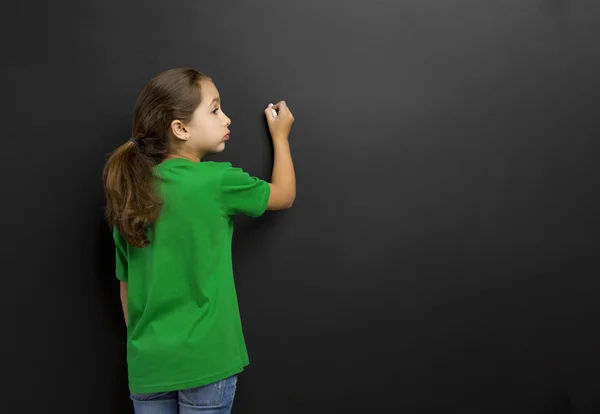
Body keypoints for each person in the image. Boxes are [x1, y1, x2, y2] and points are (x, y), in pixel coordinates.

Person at [102, 68, 296, 413]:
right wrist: (280, 136)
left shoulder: (129, 193)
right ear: (180, 128)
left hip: (149, 363)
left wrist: (147, 347)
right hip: (206, 359)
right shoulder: (217, 181)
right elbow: (284, 196)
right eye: (215, 109)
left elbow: (126, 288)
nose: (226, 118)